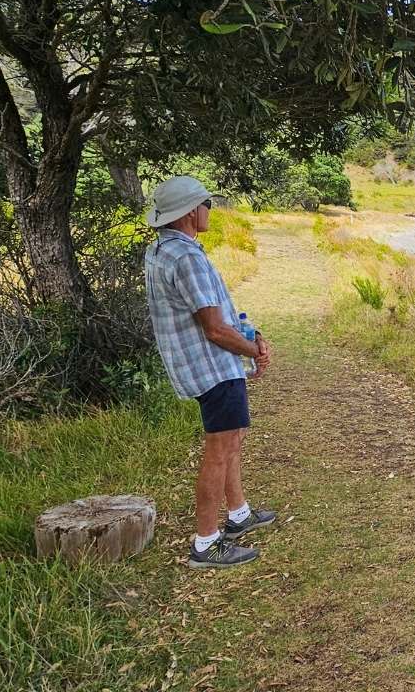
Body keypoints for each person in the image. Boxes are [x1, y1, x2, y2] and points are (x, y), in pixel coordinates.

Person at [144, 176, 276, 569]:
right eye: (207, 205)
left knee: (232, 439)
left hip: (202, 364)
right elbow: (215, 329)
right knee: (218, 451)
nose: (209, 212)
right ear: (189, 212)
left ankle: (238, 515)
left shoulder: (164, 250)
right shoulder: (186, 258)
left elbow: (217, 315)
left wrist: (250, 337)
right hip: (211, 367)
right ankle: (206, 542)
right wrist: (254, 350)